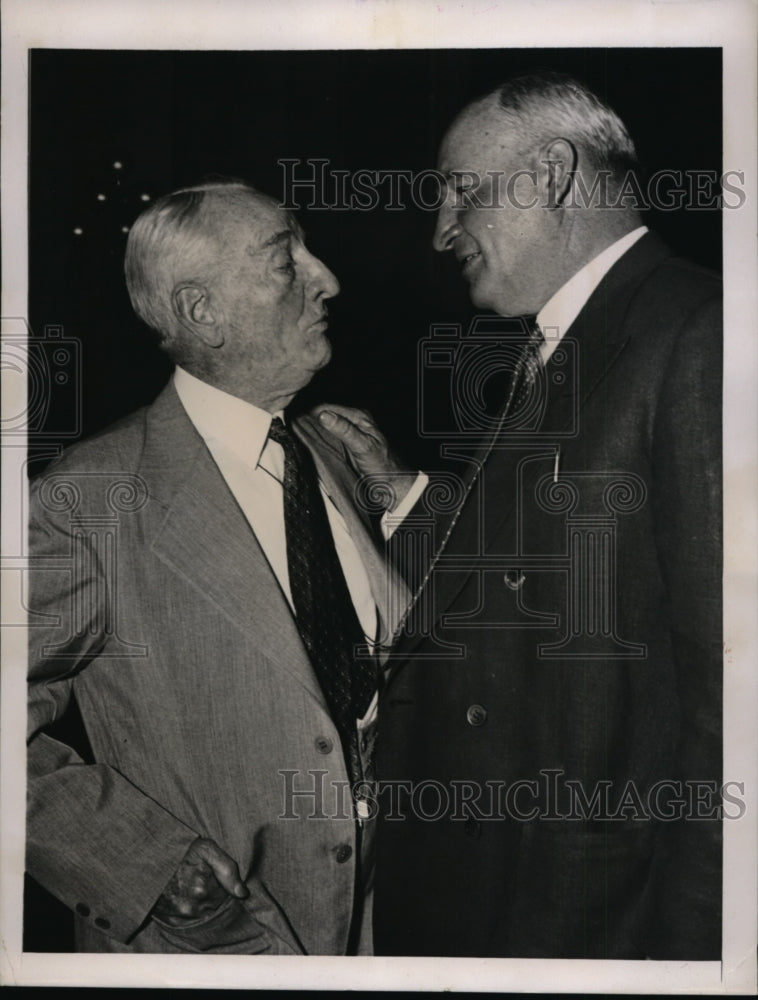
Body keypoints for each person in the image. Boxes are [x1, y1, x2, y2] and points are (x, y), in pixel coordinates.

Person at [323, 72, 722, 959]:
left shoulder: (703, 334)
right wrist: (408, 495)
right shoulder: (577, 337)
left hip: (591, 915)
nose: (440, 230)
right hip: (505, 890)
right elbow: (557, 579)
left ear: (550, 175)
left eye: (460, 190)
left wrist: (696, 955)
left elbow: (737, 701)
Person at [25, 180, 415, 954]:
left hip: (388, 928)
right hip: (223, 940)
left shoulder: (335, 450)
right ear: (203, 311)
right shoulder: (88, 497)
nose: (326, 277)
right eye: (285, 260)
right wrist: (143, 864)